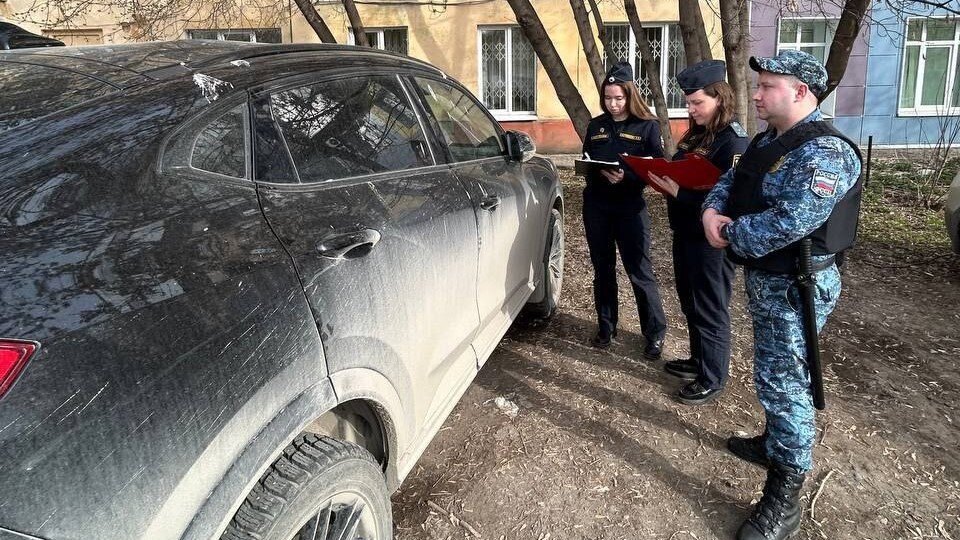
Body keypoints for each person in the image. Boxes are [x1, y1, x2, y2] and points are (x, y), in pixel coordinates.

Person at [701, 50, 862, 540]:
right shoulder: (769, 140)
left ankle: (784, 495)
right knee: (776, 371)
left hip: (798, 287)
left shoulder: (826, 153)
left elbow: (792, 222)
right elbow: (730, 182)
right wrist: (711, 213)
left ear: (801, 92)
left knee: (785, 381)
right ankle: (775, 440)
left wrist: (727, 234)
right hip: (769, 280)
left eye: (768, 85)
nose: (755, 93)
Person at [645, 60, 748, 406]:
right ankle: (698, 360)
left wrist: (680, 193)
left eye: (697, 103)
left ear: (719, 98)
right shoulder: (697, 133)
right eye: (688, 102)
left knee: (710, 307)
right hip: (684, 230)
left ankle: (712, 377)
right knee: (690, 303)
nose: (690, 109)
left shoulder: (733, 143)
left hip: (710, 242)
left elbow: (731, 198)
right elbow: (681, 166)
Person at [581, 61, 667, 358]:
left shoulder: (647, 127)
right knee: (602, 269)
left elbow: (657, 169)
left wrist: (627, 175)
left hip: (630, 208)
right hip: (597, 207)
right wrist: (598, 171)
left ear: (630, 95)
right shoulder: (596, 125)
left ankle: (654, 334)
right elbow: (586, 162)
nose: (613, 104)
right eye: (608, 98)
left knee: (640, 272)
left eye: (619, 98)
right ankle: (606, 326)